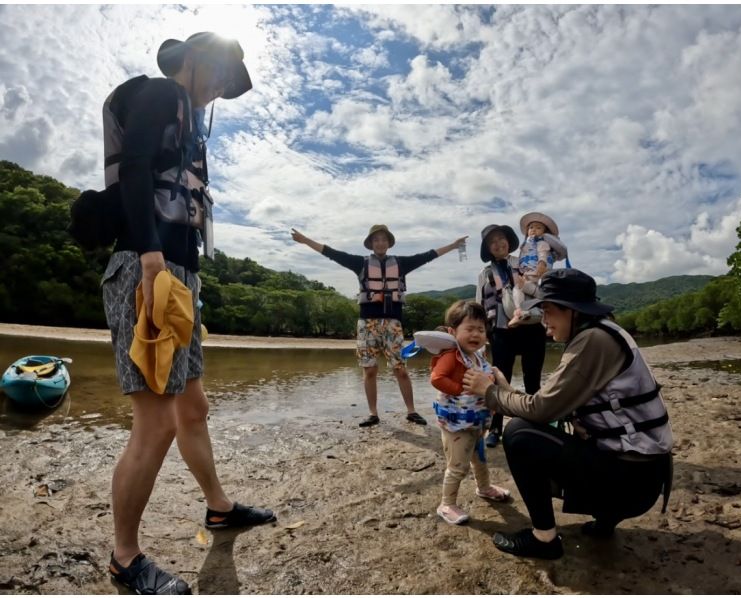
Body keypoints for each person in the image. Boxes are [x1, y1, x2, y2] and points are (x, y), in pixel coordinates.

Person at [100, 33, 275, 594]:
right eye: (222, 73)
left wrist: (184, 275)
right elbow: (133, 171)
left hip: (180, 276)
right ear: (195, 61)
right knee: (154, 422)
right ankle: (125, 558)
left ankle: (219, 509)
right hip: (145, 267)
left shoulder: (194, 122)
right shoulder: (158, 93)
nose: (223, 86)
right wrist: (151, 256)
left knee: (192, 406)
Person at [463, 268, 674, 560]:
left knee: (519, 434)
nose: (545, 321)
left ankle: (544, 539)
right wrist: (506, 389)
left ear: (572, 311)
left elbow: (540, 409)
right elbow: (551, 404)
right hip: (643, 474)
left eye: (549, 311)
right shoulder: (606, 330)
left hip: (632, 482)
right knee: (543, 430)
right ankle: (605, 521)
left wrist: (489, 393)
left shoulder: (592, 340)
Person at [291, 224, 467, 427]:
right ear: (371, 244)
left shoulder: (401, 263)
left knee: (400, 369)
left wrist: (454, 246)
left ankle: (411, 411)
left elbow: (428, 255)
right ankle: (373, 413)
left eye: (383, 239)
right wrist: (305, 240)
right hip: (367, 323)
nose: (380, 243)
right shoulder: (360, 263)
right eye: (376, 239)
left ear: (389, 242)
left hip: (393, 323)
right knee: (370, 370)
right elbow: (331, 253)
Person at [427, 301, 511, 525]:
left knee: (480, 461)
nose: (476, 334)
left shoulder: (478, 356)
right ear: (453, 332)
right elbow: (436, 378)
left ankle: (484, 488)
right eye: (469, 329)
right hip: (456, 426)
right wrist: (458, 389)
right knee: (457, 466)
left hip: (476, 423)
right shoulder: (451, 356)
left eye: (481, 330)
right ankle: (446, 504)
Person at [475, 224, 547, 448]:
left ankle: (534, 424)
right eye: (492, 242)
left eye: (501, 238)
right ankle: (496, 426)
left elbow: (543, 293)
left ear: (508, 240)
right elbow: (479, 306)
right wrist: (479, 339)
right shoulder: (484, 274)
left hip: (532, 327)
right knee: (498, 379)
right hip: (501, 332)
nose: (498, 244)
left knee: (532, 377)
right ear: (488, 248)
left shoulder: (526, 262)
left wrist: (528, 286)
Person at [508, 212, 562, 328]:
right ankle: (521, 311)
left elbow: (543, 254)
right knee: (520, 287)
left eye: (538, 228)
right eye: (531, 227)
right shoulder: (525, 246)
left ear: (544, 232)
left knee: (521, 288)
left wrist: (541, 263)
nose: (533, 230)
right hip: (529, 277)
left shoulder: (542, 243)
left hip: (539, 276)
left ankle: (519, 311)